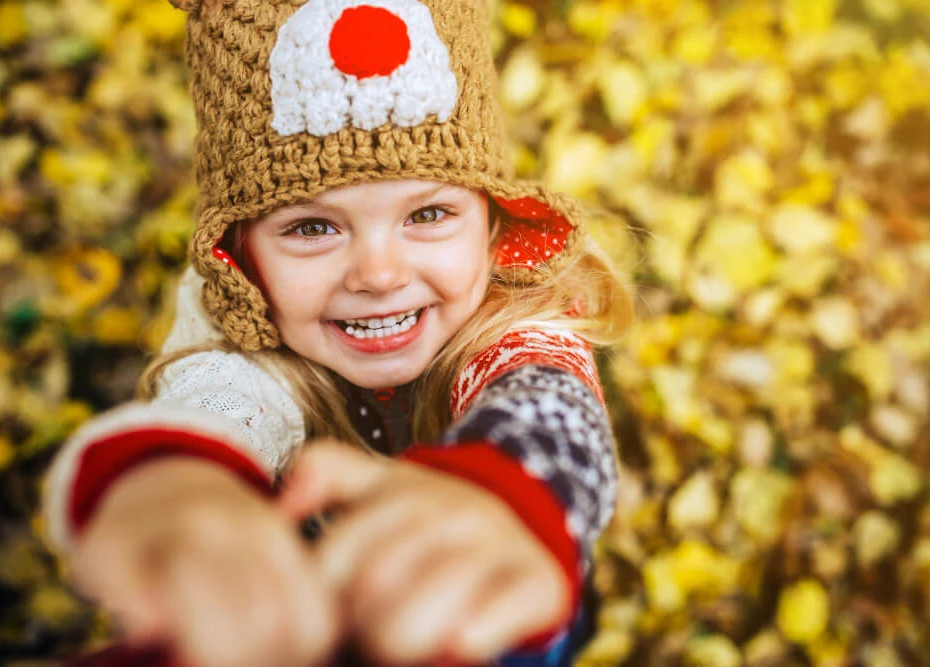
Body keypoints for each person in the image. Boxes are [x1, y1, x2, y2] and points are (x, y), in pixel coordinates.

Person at [43, 0, 633, 666]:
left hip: (490, 600)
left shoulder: (516, 315)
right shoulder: (243, 340)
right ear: (240, 254)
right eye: (313, 228)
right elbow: (213, 402)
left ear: (493, 224)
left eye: (430, 213)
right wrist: (179, 480)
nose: (379, 274)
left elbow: (552, 408)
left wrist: (506, 493)